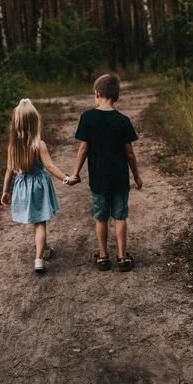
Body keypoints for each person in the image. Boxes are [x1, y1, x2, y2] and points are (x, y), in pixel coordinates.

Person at [72, 74, 142, 272]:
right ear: (116, 97)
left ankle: (103, 256)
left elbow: (83, 149)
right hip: (120, 178)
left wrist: (76, 172)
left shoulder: (88, 118)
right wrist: (136, 176)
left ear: (97, 93)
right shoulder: (123, 120)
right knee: (120, 217)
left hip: (98, 179)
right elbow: (129, 153)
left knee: (101, 217)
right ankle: (122, 256)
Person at [1, 98, 79, 273]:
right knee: (40, 222)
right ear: (34, 122)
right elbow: (50, 167)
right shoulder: (39, 145)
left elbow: (9, 170)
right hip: (38, 187)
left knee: (35, 221)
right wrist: (67, 179)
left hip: (23, 187)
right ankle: (39, 259)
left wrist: (5, 191)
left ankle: (43, 249)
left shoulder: (13, 146)